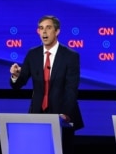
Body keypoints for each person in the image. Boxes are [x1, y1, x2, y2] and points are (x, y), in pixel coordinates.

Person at [9, 15, 84, 154]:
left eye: (48, 28)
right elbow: (19, 84)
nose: (44, 32)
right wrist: (15, 75)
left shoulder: (71, 56)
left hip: (63, 116)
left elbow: (71, 89)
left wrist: (65, 114)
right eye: (41, 28)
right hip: (38, 114)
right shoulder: (33, 54)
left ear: (57, 31)